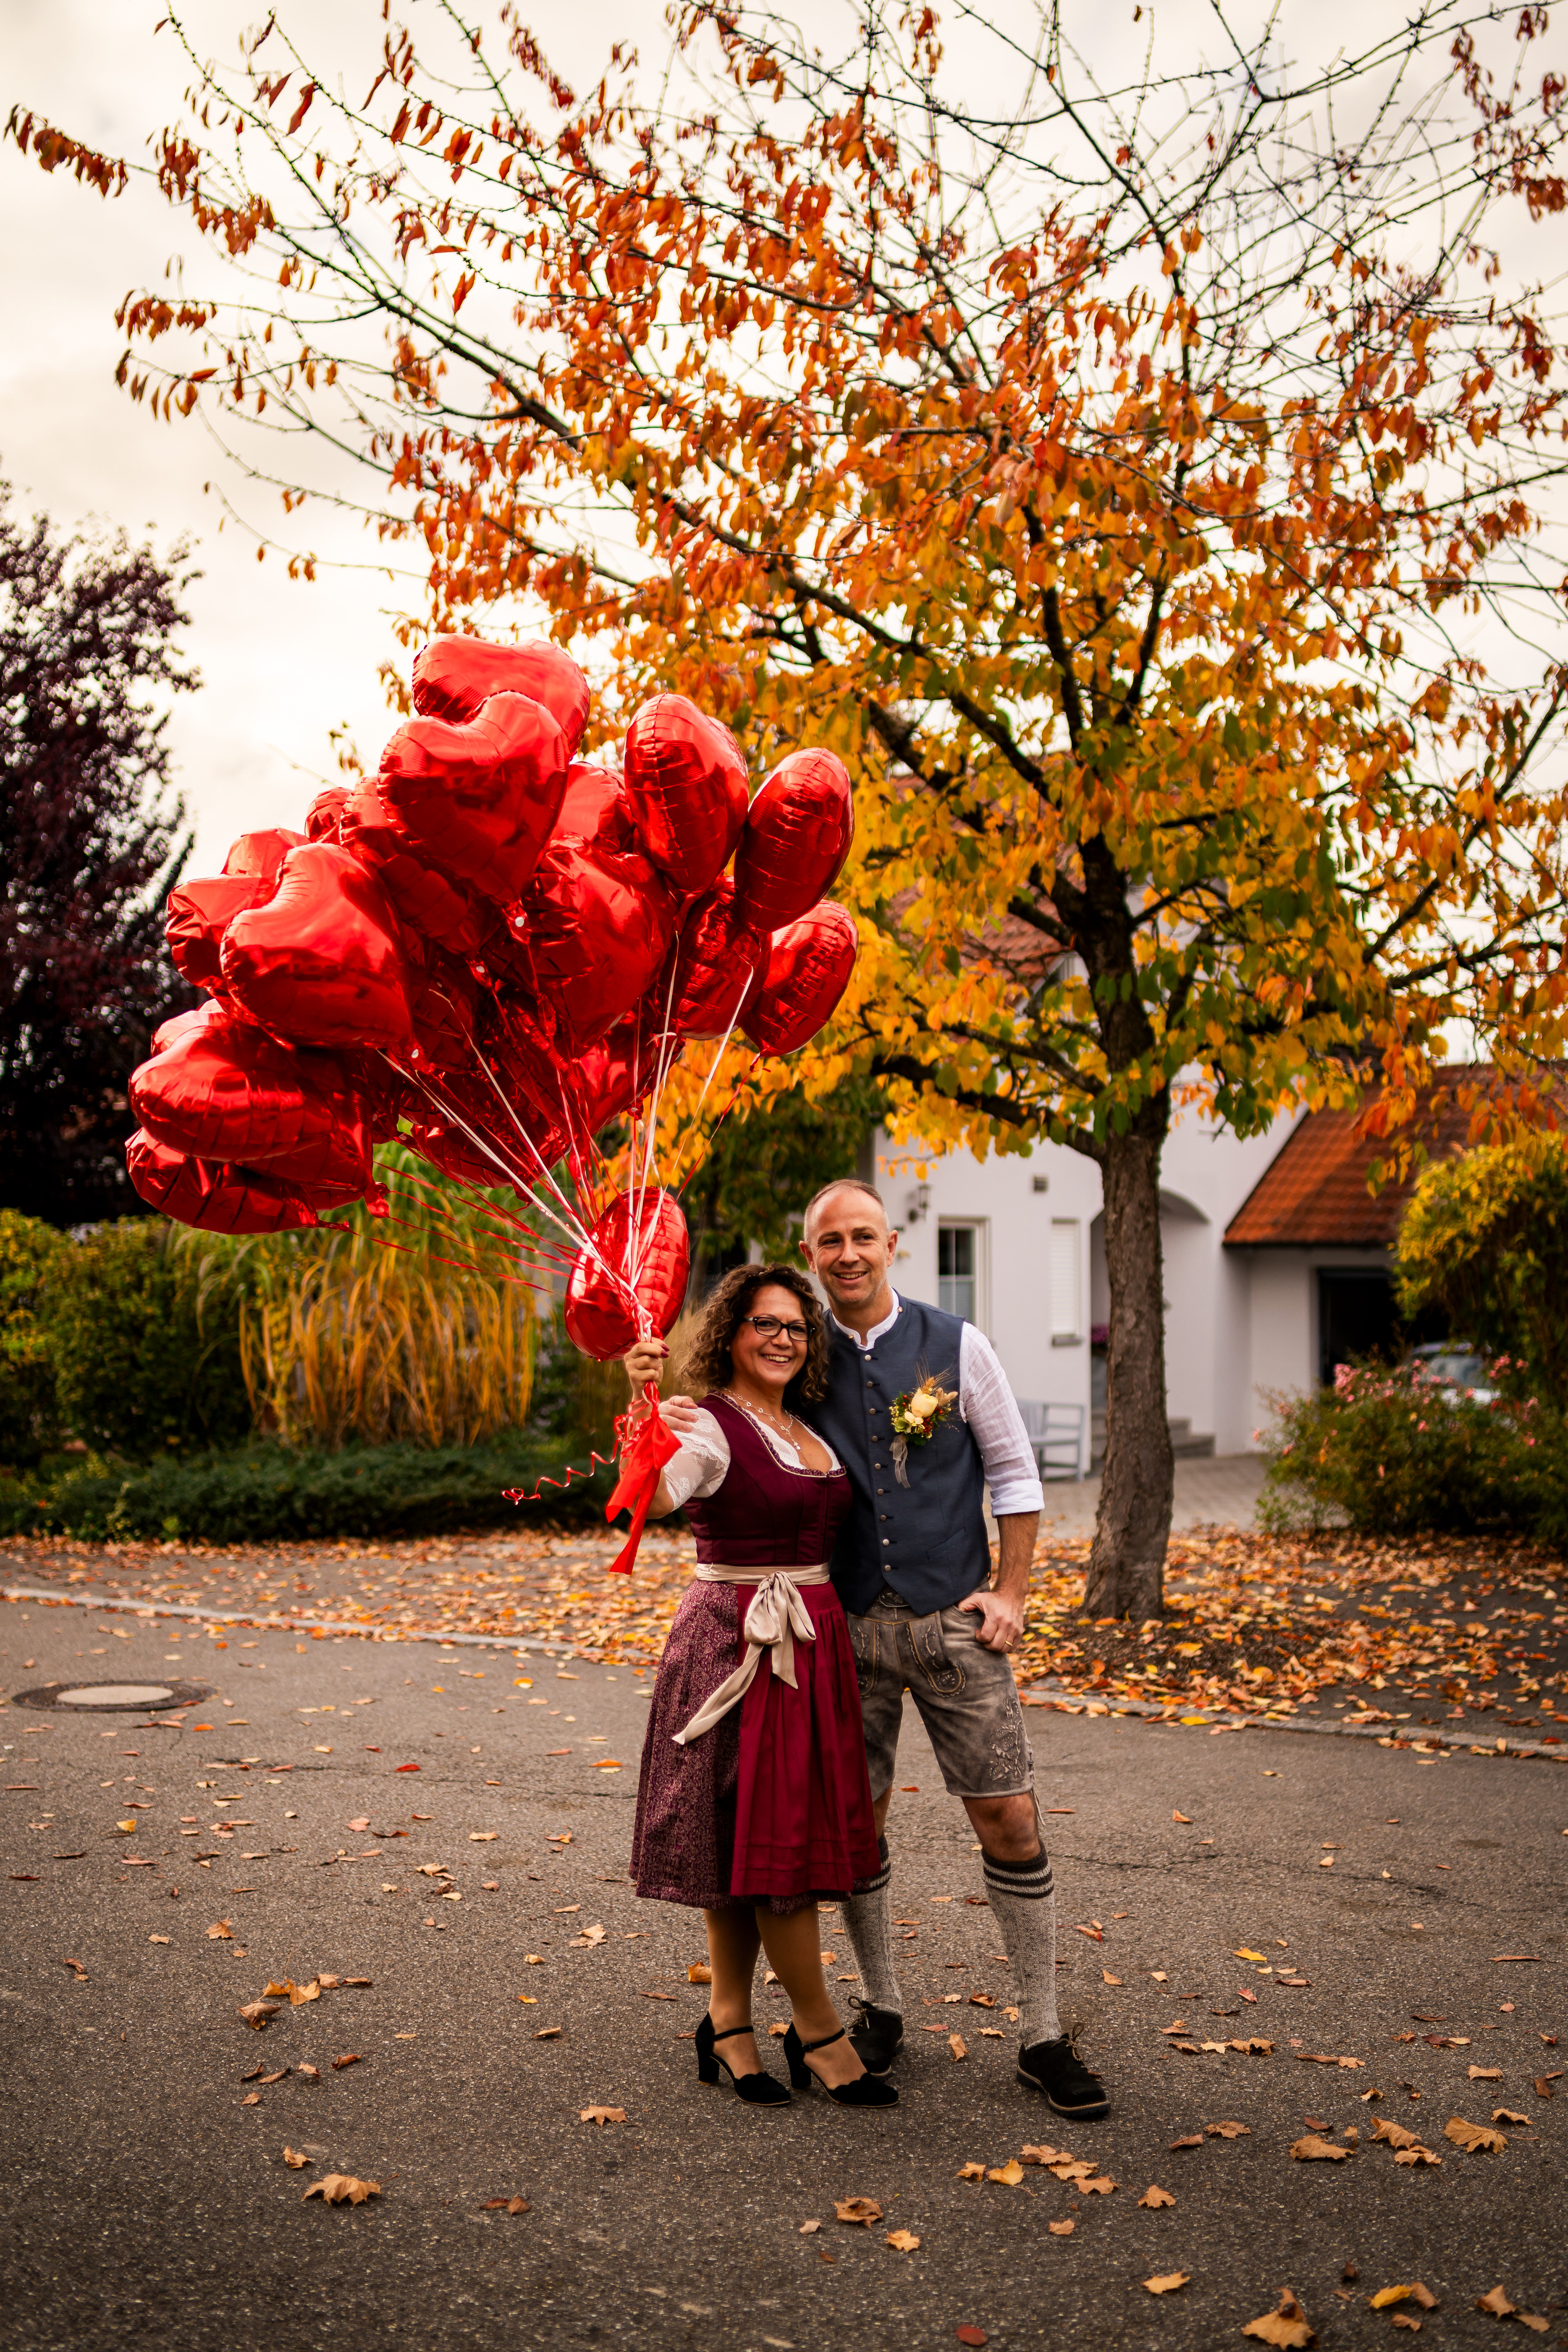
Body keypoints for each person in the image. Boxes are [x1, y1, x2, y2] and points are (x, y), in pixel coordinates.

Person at [793, 1177, 1111, 2120]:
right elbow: (723, 1426)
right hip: (846, 1626)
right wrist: (648, 1376)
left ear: (892, 1242)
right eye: (828, 1243)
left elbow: (1015, 1472)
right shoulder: (795, 1356)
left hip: (952, 1622)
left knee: (1008, 1817)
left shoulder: (957, 1343)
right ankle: (882, 2005)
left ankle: (1044, 2033)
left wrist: (1011, 1593)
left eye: (862, 1236)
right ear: (809, 1256)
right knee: (859, 1826)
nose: (847, 1254)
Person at [621, 1263, 897, 2110]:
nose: (782, 1338)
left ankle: (730, 2021)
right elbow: (658, 1498)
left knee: (756, 1843)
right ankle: (819, 2032)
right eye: (764, 1324)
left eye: (796, 1328)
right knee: (770, 1849)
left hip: (811, 1647)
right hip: (734, 1642)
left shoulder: (804, 1428)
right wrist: (640, 1407)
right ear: (730, 1333)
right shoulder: (704, 1423)